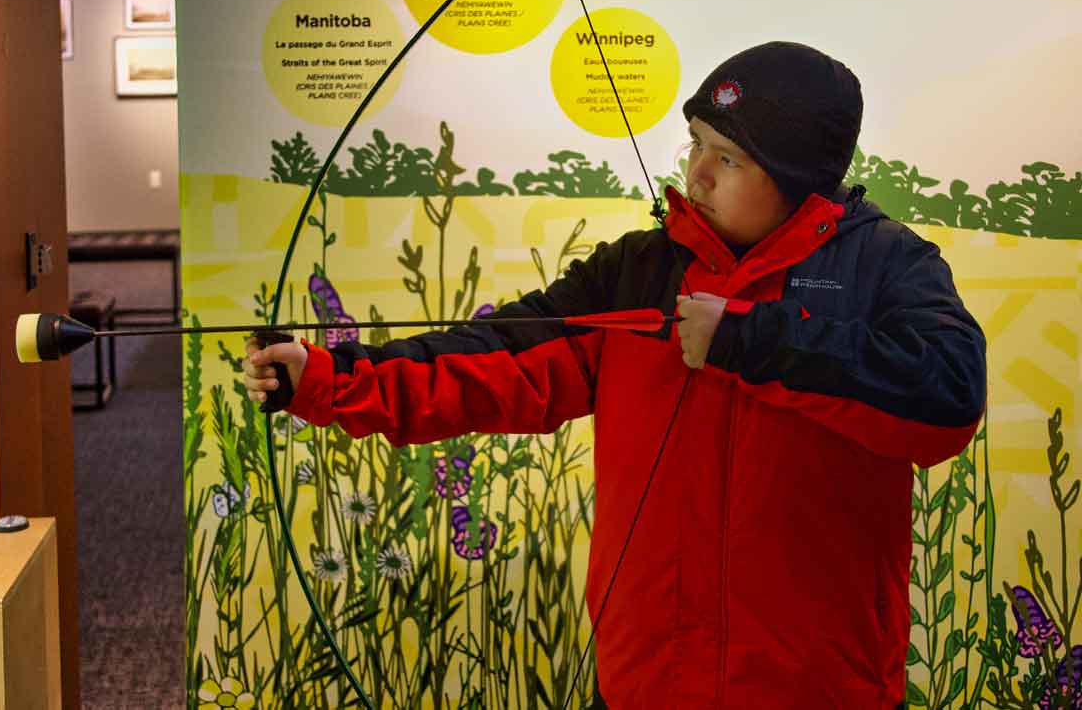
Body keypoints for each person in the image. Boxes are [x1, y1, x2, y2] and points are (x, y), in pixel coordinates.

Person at [244, 41, 986, 709]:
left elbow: (947, 399)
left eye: (727, 158)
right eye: (696, 143)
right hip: (646, 685)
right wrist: (328, 377)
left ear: (796, 176)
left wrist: (754, 339)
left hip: (822, 693)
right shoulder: (639, 270)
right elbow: (499, 356)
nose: (695, 174)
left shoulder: (887, 264)